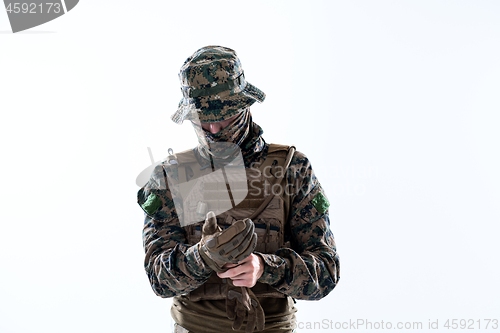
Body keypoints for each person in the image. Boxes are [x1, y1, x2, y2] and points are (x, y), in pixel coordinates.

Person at [137, 45, 340, 333]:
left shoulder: (292, 169)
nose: (215, 129)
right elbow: (158, 279)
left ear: (245, 105)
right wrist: (202, 258)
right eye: (203, 119)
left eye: (225, 116)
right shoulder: (171, 176)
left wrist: (265, 268)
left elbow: (326, 272)